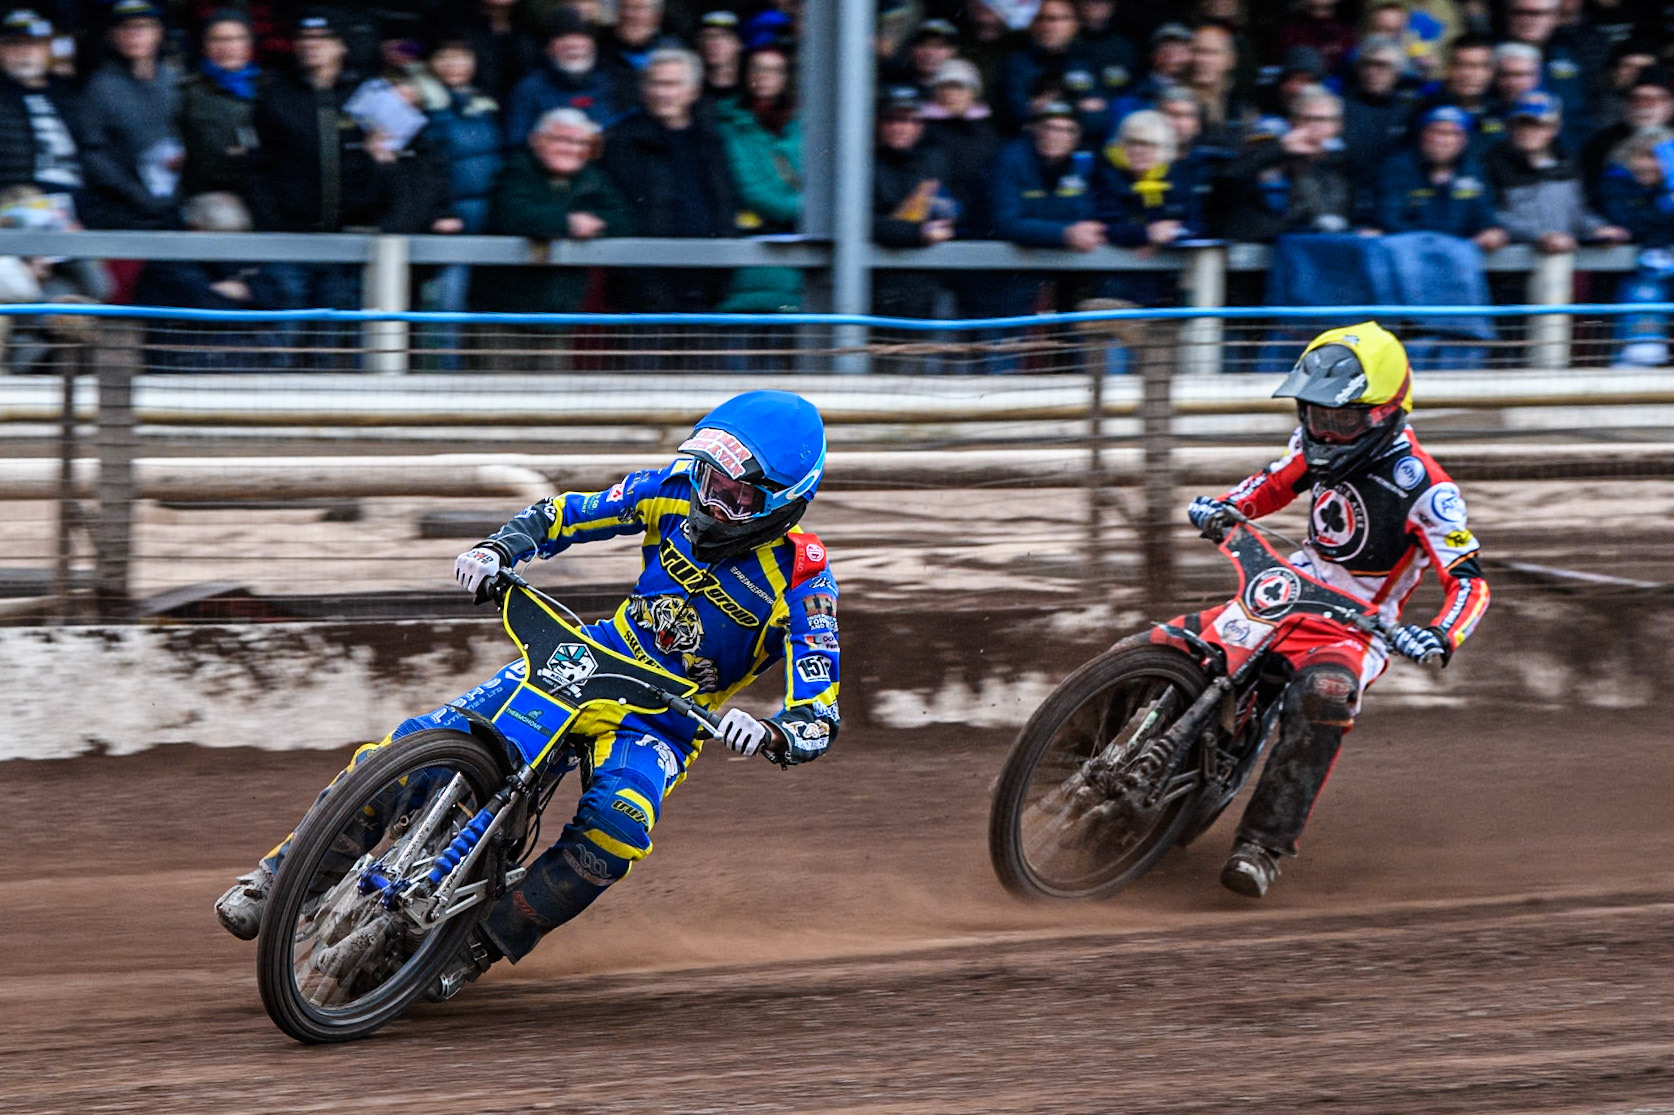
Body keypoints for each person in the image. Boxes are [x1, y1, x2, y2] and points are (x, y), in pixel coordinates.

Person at [216, 391, 844, 1001]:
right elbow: (565, 514)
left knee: (616, 828)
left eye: (734, 492)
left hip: (663, 718)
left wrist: (773, 733)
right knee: (418, 745)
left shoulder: (804, 583)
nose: (710, 499)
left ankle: (475, 949)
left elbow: (820, 709)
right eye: (708, 475)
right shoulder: (673, 492)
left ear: (785, 502)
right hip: (589, 655)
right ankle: (280, 877)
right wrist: (501, 548)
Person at [1178, 322, 1491, 897]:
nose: (1325, 430)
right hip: (1287, 589)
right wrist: (1223, 507)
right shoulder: (1312, 448)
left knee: (1324, 696)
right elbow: (1270, 485)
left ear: (1384, 412)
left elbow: (1470, 581)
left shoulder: (1427, 487)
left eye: (1341, 418)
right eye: (1315, 414)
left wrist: (1442, 636)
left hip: (1355, 628)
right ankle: (1076, 748)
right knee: (1174, 644)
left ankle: (1262, 846)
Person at [600, 47, 737, 314]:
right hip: (641, 289)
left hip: (704, 284)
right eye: (655, 83)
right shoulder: (621, 140)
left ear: (693, 90)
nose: (662, 93)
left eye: (672, 84)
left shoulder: (711, 139)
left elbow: (724, 203)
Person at [990, 100, 1102, 315]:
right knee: (1008, 337)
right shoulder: (1011, 159)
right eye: (1050, 128)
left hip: (1068, 270)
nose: (1056, 136)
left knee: (1070, 335)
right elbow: (1007, 222)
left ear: (1076, 137)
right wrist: (1065, 233)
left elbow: (1088, 213)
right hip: (1009, 269)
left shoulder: (1082, 164)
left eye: (1066, 130)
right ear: (1036, 130)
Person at [78, 0, 183, 230]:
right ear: (113, 35)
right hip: (122, 208)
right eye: (125, 28)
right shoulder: (99, 87)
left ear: (158, 32)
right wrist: (137, 195)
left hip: (178, 201)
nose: (134, 34)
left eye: (142, 26)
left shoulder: (174, 80)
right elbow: (93, 154)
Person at [1485, 92, 1630, 253]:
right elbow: (1491, 215)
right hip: (1510, 258)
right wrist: (1541, 236)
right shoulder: (1493, 164)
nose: (1527, 131)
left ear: (1555, 127)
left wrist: (1599, 229)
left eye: (1537, 124)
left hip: (1564, 254)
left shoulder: (1569, 165)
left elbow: (1578, 215)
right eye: (1521, 124)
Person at [716, 42, 803, 312]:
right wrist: (812, 207)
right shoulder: (729, 125)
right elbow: (752, 191)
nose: (765, 76)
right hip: (754, 246)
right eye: (758, 68)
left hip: (798, 249)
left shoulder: (802, 125)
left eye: (774, 70)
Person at [1220, 84, 1354, 242]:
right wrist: (1280, 150)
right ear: (1293, 122)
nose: (1316, 126)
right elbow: (1228, 178)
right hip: (1278, 248)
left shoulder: (1346, 164)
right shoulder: (1269, 154)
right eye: (1309, 119)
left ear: (1339, 126)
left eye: (1325, 120)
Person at [870, 85, 953, 319]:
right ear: (880, 124)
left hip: (927, 284)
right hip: (877, 286)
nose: (900, 127)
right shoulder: (866, 163)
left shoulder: (935, 161)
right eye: (892, 120)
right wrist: (919, 232)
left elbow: (951, 212)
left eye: (909, 120)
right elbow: (865, 223)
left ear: (920, 126)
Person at [1374, 105, 1507, 249]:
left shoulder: (1472, 172)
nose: (1442, 141)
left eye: (1453, 134)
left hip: (1459, 256)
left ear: (1464, 140)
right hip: (1409, 252)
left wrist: (1491, 232)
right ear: (1422, 135)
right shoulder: (1398, 168)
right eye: (1436, 132)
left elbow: (1484, 218)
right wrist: (1440, 243)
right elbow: (1389, 219)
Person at [503, 7, 629, 144]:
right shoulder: (528, 90)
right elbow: (517, 144)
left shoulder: (608, 84)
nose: (573, 44)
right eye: (562, 37)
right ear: (548, 48)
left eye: (582, 36)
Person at [0, 8, 82, 212]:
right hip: (17, 209)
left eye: (34, 44)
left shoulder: (71, 96)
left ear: (48, 49)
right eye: (15, 45)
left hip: (78, 209)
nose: (25, 52)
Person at [177, 9, 261, 199]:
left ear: (249, 45)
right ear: (205, 46)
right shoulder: (187, 93)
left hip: (264, 189)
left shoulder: (270, 89)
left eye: (236, 39)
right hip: (210, 192)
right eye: (218, 40)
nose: (227, 47)